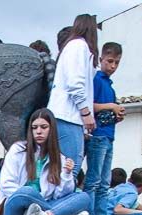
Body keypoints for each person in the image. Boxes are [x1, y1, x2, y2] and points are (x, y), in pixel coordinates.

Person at [0, 109, 91, 215]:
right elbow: (6, 184)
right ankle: (56, 214)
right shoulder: (18, 150)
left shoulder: (59, 158)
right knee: (27, 191)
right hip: (16, 203)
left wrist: (66, 174)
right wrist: (36, 200)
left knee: (83, 197)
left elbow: (59, 195)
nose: (38, 131)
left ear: (51, 129)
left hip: (45, 205)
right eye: (34, 127)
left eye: (43, 127)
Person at [48, 14, 97, 168]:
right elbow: (75, 83)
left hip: (64, 116)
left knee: (63, 168)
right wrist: (86, 113)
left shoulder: (73, 46)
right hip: (68, 116)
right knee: (70, 169)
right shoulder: (79, 46)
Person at [87, 42, 124, 215]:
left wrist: (116, 114)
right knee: (94, 180)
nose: (113, 66)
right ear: (101, 59)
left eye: (116, 62)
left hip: (109, 136)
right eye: (110, 61)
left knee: (104, 182)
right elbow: (89, 105)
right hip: (98, 135)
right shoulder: (96, 81)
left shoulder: (110, 86)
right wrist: (111, 106)